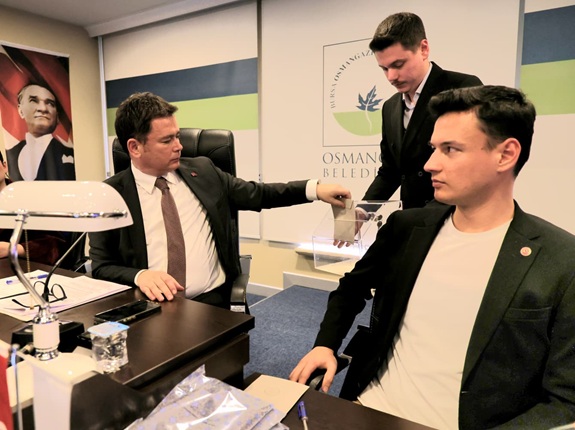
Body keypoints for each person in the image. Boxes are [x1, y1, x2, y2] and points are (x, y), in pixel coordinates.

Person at [290, 85, 575, 429]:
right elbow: (352, 288)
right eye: (433, 149)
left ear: (505, 155)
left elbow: (566, 401)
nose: (429, 165)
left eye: (450, 150)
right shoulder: (408, 228)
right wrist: (325, 345)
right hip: (368, 408)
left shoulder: (561, 261)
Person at [89, 92, 351, 308]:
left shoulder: (203, 171)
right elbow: (101, 267)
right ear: (135, 147)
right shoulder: (110, 196)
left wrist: (314, 189)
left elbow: (258, 194)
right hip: (150, 307)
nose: (179, 146)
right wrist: (139, 275)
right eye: (167, 140)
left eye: (177, 136)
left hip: (211, 302)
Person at [362, 12, 482, 209]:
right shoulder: (389, 107)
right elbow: (391, 171)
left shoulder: (463, 88)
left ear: (424, 49)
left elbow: (473, 165)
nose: (391, 77)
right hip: (412, 218)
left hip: (453, 216)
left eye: (398, 65)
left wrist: (427, 217)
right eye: (384, 69)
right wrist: (363, 210)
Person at [0, 151, 65, 264]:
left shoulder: (30, 199)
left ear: (5, 166)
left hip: (22, 269)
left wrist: (15, 249)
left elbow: (56, 244)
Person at [6, 83, 75, 181]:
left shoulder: (69, 154)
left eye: (50, 103)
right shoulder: (11, 154)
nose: (43, 108)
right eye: (34, 101)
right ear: (20, 111)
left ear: (57, 116)